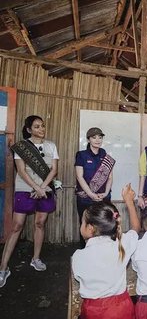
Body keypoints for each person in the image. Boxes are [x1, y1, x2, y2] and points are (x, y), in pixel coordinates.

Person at [0, 115, 59, 288]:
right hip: (25, 188)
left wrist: (42, 187)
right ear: (28, 130)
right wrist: (36, 187)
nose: (41, 129)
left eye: (43, 126)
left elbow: (54, 170)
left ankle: (36, 259)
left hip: (45, 188)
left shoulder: (51, 146)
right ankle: (3, 268)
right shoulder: (21, 147)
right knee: (17, 225)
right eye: (37, 126)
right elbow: (21, 170)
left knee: (40, 223)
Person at [72, 184, 140, 319]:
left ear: (90, 228)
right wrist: (129, 202)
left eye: (82, 223)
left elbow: (78, 277)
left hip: (94, 312)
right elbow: (136, 229)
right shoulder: (122, 245)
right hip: (123, 309)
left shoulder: (79, 256)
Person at [75, 127, 115, 246]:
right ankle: (85, 250)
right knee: (86, 225)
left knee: (104, 225)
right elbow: (79, 177)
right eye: (94, 137)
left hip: (103, 198)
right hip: (85, 198)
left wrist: (106, 192)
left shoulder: (106, 156)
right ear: (88, 139)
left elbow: (110, 177)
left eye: (100, 137)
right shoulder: (81, 155)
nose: (97, 140)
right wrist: (91, 194)